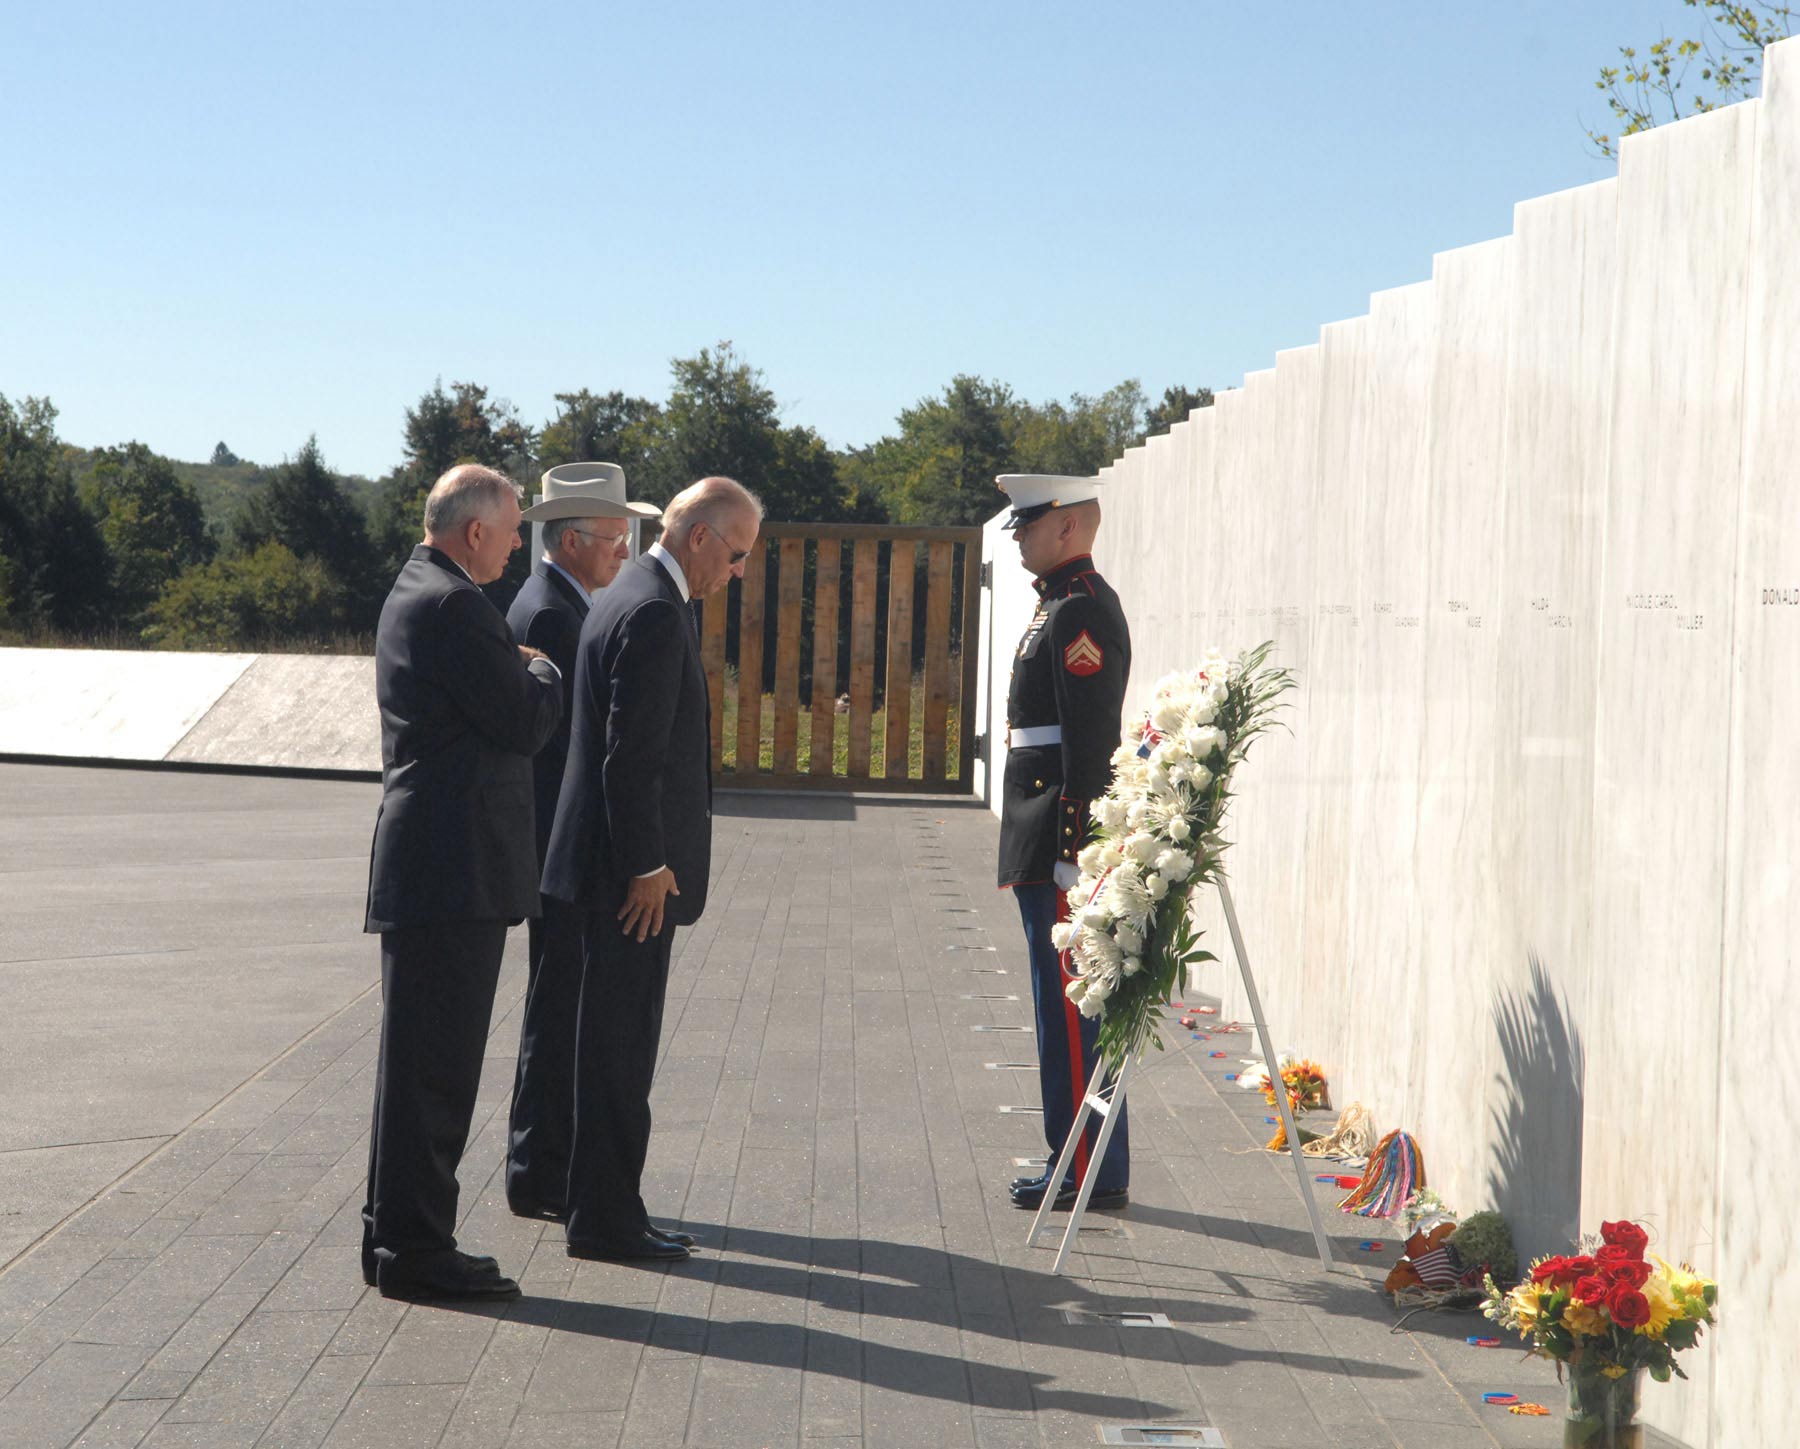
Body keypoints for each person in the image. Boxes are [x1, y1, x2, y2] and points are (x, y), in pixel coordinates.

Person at [542, 475, 763, 1261]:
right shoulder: (655, 610)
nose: (737, 573)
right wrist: (647, 865)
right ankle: (604, 1219)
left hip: (609, 870)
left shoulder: (629, 589)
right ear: (698, 536)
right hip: (627, 880)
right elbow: (628, 760)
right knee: (618, 1049)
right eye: (735, 555)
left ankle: (606, 1205)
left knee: (609, 1042)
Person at [360, 465, 563, 1301]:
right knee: (435, 1072)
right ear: (474, 530)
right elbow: (522, 719)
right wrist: (544, 670)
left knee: (418, 1069)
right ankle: (416, 1250)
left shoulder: (424, 587)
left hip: (437, 866)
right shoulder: (452, 603)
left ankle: (396, 1237)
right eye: (514, 528)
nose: (520, 544)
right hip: (452, 869)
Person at [505, 462, 662, 1222]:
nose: (624, 551)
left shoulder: (563, 601)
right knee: (557, 1008)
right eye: (613, 536)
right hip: (554, 851)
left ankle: (544, 1164)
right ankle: (541, 1167)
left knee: (557, 1003)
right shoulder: (551, 615)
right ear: (569, 540)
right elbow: (558, 753)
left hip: (550, 849)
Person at [994, 473, 1133, 1212]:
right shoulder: (1058, 601)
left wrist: (1075, 849)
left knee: (1072, 1009)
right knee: (1062, 1006)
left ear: (1070, 528)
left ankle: (1086, 1167)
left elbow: (1090, 740)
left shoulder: (1078, 607)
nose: (1017, 535)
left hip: (1058, 831)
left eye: (1029, 523)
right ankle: (1082, 1159)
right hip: (1039, 822)